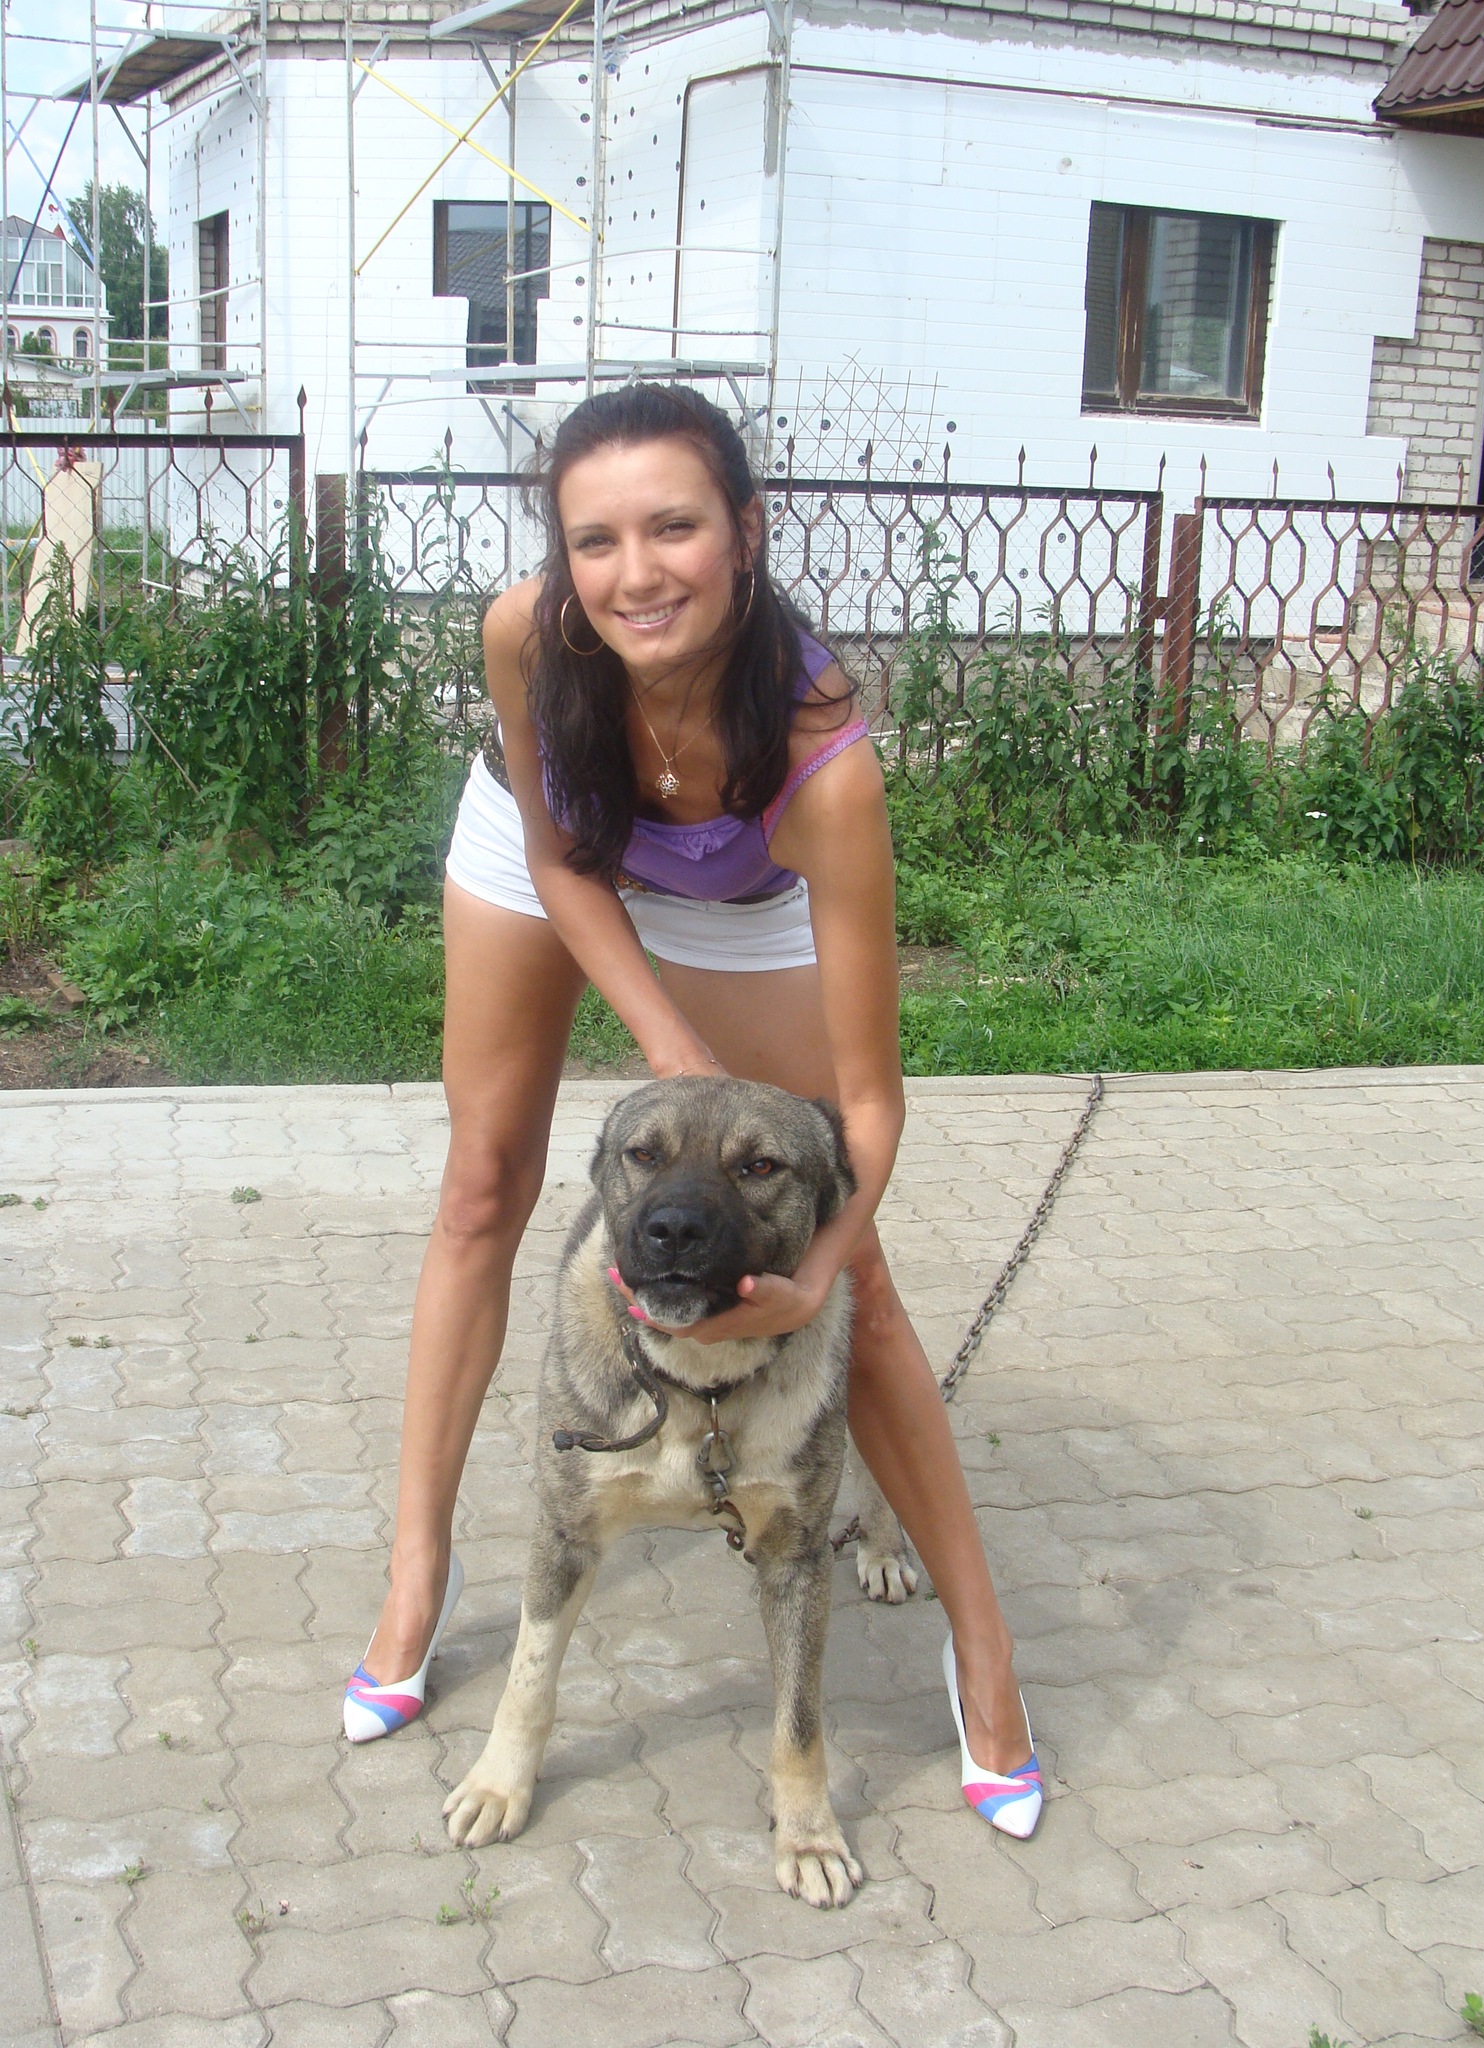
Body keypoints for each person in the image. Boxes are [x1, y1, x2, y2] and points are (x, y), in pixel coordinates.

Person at [341, 383, 1042, 1838]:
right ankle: (417, 1568)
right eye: (594, 540)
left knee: (860, 1271)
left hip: (739, 886)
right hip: (556, 845)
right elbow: (561, 856)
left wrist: (815, 1276)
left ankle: (986, 1657)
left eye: (674, 527)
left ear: (746, 531)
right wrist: (665, 1042)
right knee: (481, 1184)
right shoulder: (525, 631)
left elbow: (871, 1102)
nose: (635, 572)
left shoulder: (821, 749)